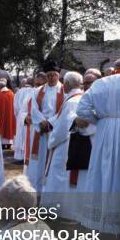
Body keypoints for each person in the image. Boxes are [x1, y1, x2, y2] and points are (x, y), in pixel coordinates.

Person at [75, 58, 120, 235]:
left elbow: (82, 110)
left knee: (103, 171)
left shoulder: (100, 84)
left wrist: (101, 120)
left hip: (105, 131)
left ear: (115, 69)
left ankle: (102, 221)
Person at [41, 72, 86, 211]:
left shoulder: (72, 101)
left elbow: (63, 128)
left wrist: (52, 141)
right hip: (75, 142)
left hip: (65, 144)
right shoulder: (79, 98)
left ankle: (59, 208)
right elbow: (61, 118)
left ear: (66, 84)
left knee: (59, 174)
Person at [25, 62, 64, 193]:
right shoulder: (38, 91)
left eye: (54, 75)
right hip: (40, 131)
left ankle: (51, 190)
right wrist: (42, 122)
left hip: (56, 130)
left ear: (59, 75)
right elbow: (34, 109)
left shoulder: (64, 91)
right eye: (49, 75)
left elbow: (65, 110)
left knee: (54, 161)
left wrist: (51, 122)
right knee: (39, 162)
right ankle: (37, 188)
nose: (52, 78)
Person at [13, 78, 35, 162]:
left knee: (20, 136)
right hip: (29, 117)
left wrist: (17, 116)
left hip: (20, 116)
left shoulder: (19, 92)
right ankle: (26, 155)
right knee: (26, 136)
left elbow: (15, 106)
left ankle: (19, 156)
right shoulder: (34, 91)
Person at [0, 80, 17, 149]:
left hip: (2, 116)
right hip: (10, 115)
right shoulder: (11, 93)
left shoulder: (0, 95)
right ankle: (9, 144)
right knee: (9, 127)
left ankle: (3, 144)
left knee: (3, 127)